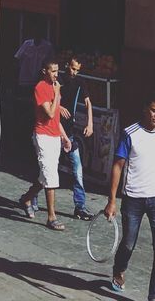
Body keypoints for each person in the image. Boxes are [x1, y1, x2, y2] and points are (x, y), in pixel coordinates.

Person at [104, 94, 155, 300]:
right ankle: (119, 269)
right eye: (154, 110)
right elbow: (117, 166)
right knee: (128, 243)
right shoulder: (130, 133)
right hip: (133, 199)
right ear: (145, 109)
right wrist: (111, 201)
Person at [17, 60, 67, 231]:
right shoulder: (40, 87)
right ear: (44, 71)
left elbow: (57, 116)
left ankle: (26, 199)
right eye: (53, 71)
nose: (56, 74)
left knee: (45, 175)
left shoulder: (54, 87)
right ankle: (51, 217)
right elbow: (51, 113)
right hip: (43, 135)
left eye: (57, 71)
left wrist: (64, 136)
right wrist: (57, 91)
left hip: (54, 136)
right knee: (50, 174)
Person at [59, 55, 93, 220]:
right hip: (54, 132)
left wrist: (90, 123)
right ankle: (32, 198)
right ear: (67, 65)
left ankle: (80, 206)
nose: (74, 72)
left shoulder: (80, 82)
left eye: (77, 70)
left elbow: (88, 103)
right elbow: (48, 98)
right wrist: (58, 107)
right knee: (47, 170)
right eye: (72, 68)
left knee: (78, 170)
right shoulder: (57, 78)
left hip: (69, 133)